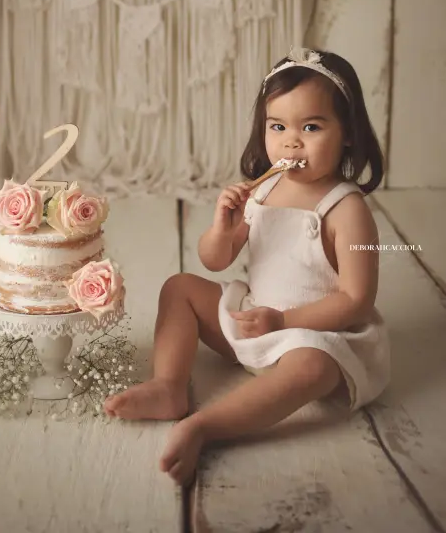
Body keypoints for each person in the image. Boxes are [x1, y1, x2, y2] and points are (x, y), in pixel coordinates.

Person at [103, 45, 391, 487]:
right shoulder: (265, 190)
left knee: (313, 367)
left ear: (348, 133)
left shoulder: (345, 209)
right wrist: (223, 227)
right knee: (180, 286)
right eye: (277, 126)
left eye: (311, 126)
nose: (291, 141)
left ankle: (206, 426)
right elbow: (214, 259)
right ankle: (169, 385)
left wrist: (283, 320)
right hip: (257, 319)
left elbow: (356, 300)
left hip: (315, 335)